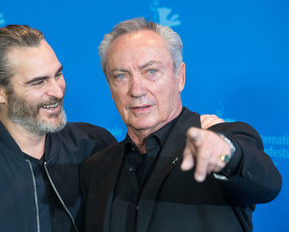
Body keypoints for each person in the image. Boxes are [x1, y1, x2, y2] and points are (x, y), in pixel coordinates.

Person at [0, 24, 221, 232]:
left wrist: (214, 139)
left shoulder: (94, 144)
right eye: (39, 82)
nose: (56, 90)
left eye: (57, 74)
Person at [79, 18, 282, 232]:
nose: (136, 90)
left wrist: (225, 156)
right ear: (110, 86)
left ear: (180, 77)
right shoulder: (96, 170)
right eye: (121, 76)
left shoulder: (218, 137)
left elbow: (267, 183)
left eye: (151, 72)